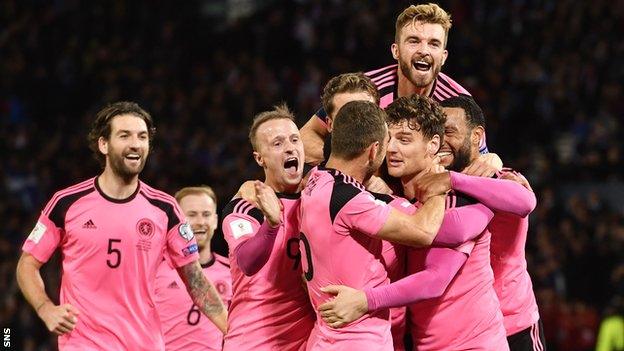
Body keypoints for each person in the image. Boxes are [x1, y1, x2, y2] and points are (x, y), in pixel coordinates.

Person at [15, 101, 227, 350]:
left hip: (144, 343)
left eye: (142, 137)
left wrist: (234, 333)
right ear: (103, 144)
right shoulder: (66, 203)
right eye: (124, 135)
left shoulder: (166, 210)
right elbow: (27, 264)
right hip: (84, 342)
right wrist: (45, 308)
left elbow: (196, 281)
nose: (136, 144)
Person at [316, 95, 512, 350]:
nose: (393, 149)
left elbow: (435, 279)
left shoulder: (457, 198)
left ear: (433, 145)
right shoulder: (390, 195)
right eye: (390, 140)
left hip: (473, 345)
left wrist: (365, 300)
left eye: (405, 140)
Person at [300, 100, 452, 350]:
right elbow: (423, 231)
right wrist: (438, 187)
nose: (390, 150)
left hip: (325, 337)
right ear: (373, 151)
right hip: (356, 340)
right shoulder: (349, 199)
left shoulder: (316, 180)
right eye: (387, 142)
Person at [301, 3, 489, 166]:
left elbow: (482, 160)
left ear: (444, 56)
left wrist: (492, 160)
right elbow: (307, 137)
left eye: (433, 44)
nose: (424, 51)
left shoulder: (459, 104)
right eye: (414, 41)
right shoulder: (366, 89)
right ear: (396, 51)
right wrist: (361, 166)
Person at [434, 95, 544, 350]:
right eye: (438, 132)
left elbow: (525, 202)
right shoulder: (433, 184)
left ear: (476, 136)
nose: (442, 141)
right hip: (465, 332)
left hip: (513, 325)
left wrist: (455, 179)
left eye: (450, 131)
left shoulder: (503, 179)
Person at [221, 105, 315, 351]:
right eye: (277, 143)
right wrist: (271, 225)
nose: (290, 147)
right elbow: (247, 262)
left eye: (295, 140)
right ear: (259, 158)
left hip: (306, 342)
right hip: (254, 342)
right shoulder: (246, 206)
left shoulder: (318, 199)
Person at [155, 186, 232, 351]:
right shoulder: (154, 269)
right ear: (176, 221)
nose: (200, 222)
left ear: (216, 220)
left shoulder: (233, 273)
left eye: (206, 214)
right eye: (191, 215)